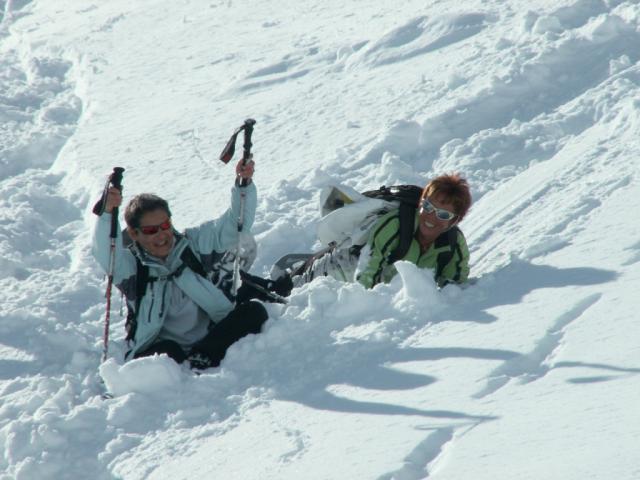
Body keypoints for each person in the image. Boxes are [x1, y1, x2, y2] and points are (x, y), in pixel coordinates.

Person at [92, 158, 268, 370]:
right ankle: (186, 366)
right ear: (134, 234)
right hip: (162, 350)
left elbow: (236, 225)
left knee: (253, 312)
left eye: (165, 225)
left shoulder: (194, 245)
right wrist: (107, 214)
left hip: (210, 337)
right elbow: (106, 253)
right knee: (168, 350)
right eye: (151, 230)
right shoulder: (132, 268)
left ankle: (201, 357)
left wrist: (243, 185)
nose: (161, 235)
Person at [292, 173, 472, 289]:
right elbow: (367, 272)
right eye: (428, 207)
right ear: (420, 204)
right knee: (291, 291)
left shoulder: (454, 244)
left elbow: (454, 288)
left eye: (443, 214)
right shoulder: (395, 225)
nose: (431, 217)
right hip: (343, 266)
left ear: (455, 220)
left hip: (376, 279)